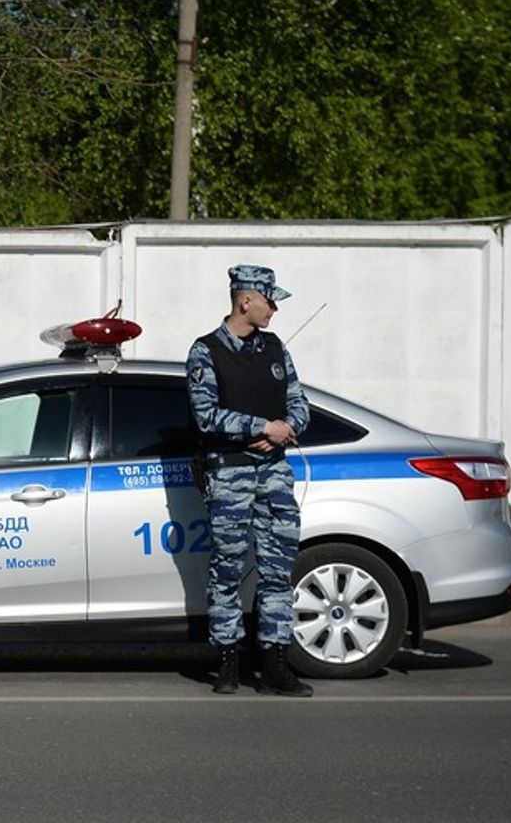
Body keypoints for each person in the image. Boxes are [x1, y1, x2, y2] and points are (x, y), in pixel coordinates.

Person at [187, 264, 313, 698]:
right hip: (230, 472)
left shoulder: (275, 348)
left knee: (278, 569)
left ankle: (275, 663)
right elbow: (207, 417)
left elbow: (299, 404)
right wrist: (262, 427)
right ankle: (227, 662)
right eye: (269, 300)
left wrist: (285, 427)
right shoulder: (206, 352)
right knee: (228, 567)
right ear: (246, 301)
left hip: (275, 472)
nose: (274, 309)